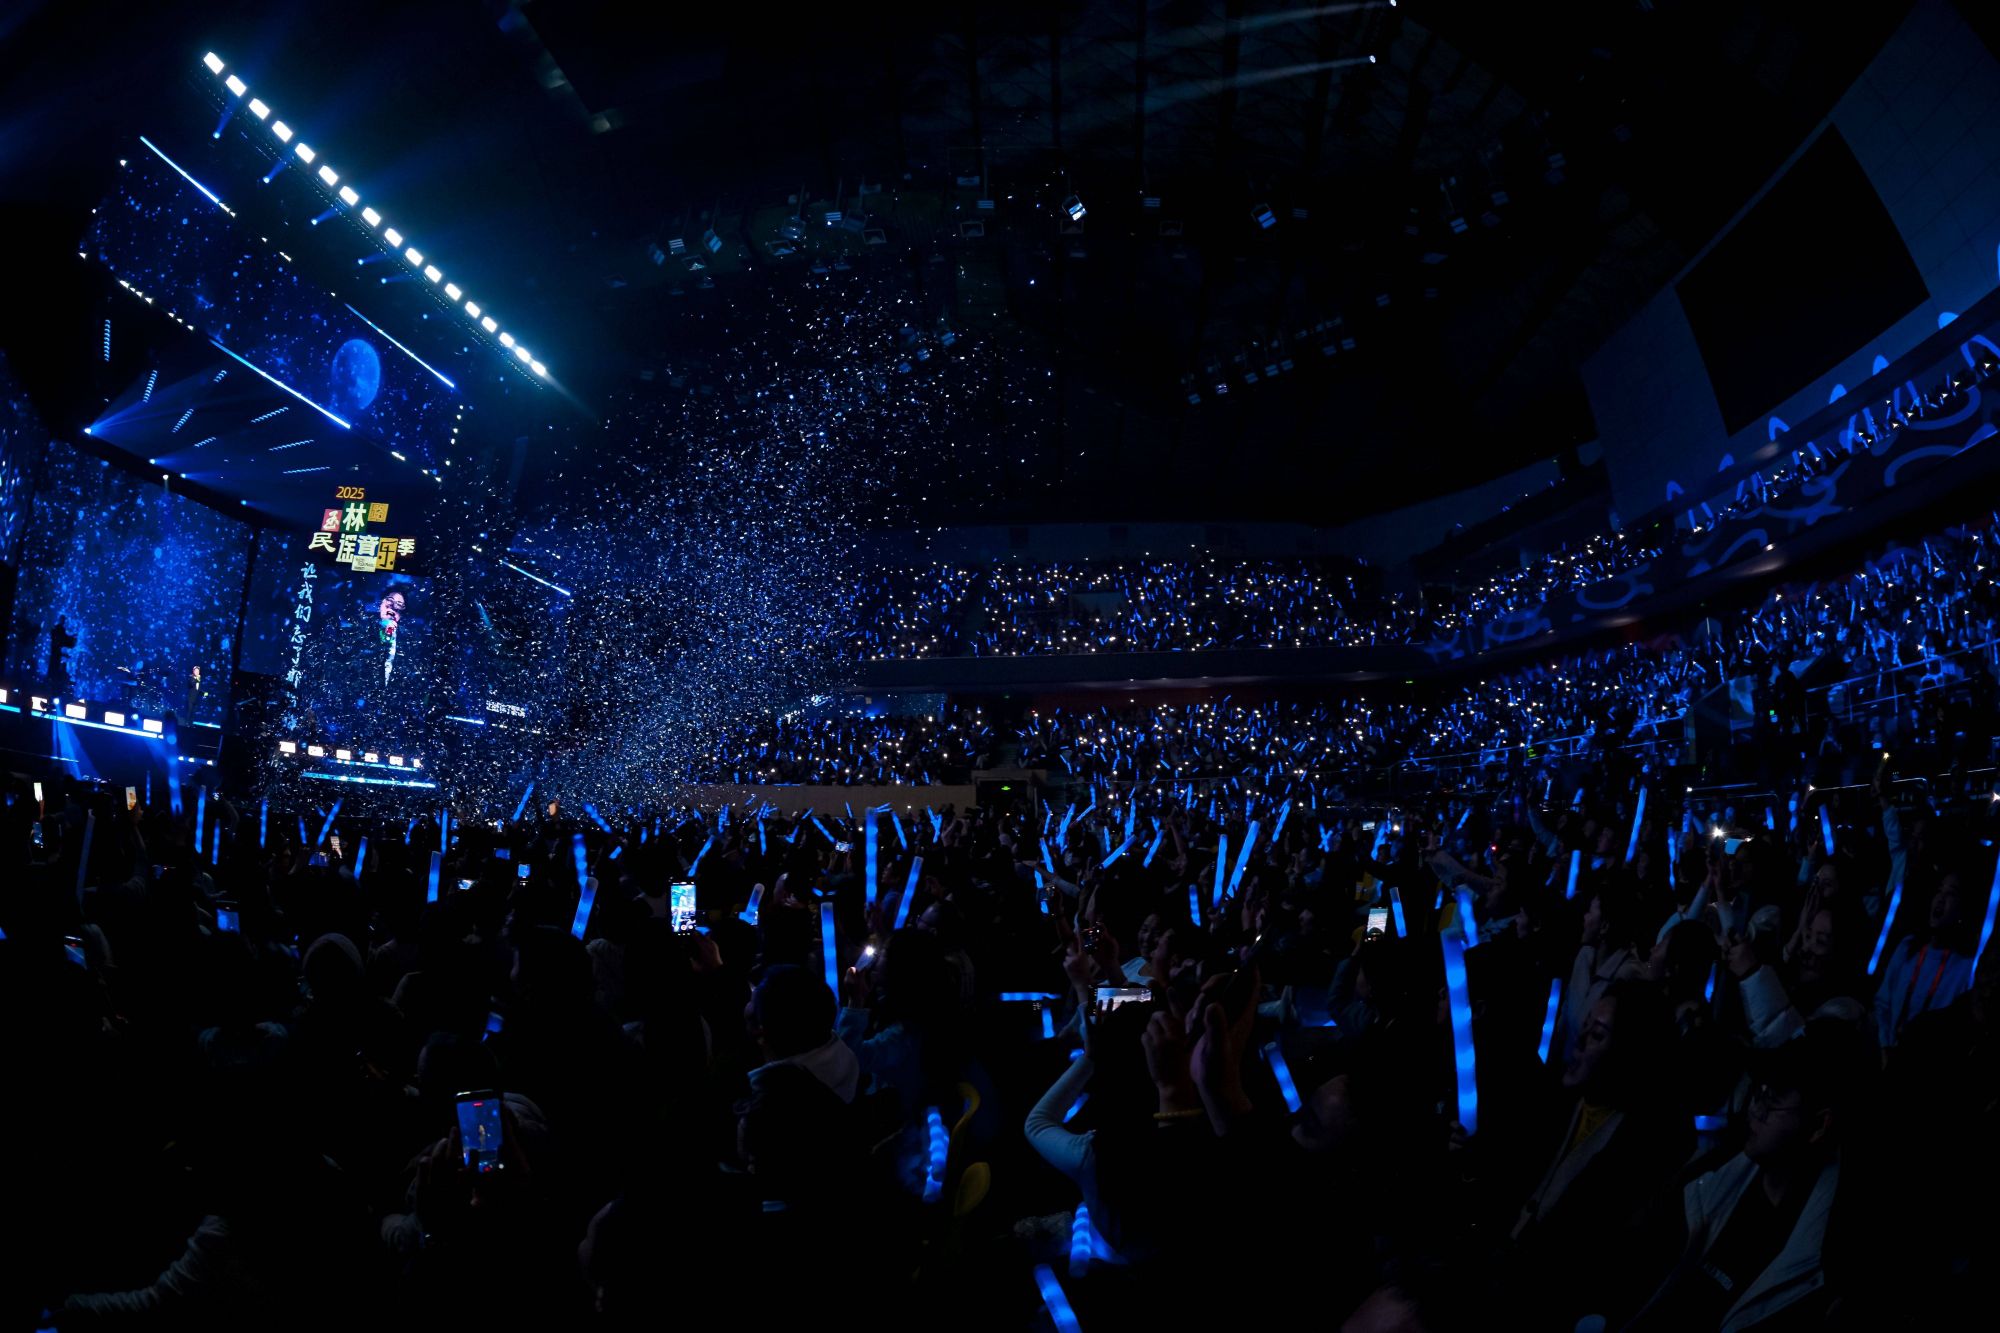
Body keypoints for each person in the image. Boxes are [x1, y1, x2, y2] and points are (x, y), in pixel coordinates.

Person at [1629, 1024, 1859, 1330]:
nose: (1755, 1111)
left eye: (1773, 1100)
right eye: (1759, 1093)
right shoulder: (1714, 1177)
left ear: (1819, 1126)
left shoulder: (1830, 1252)